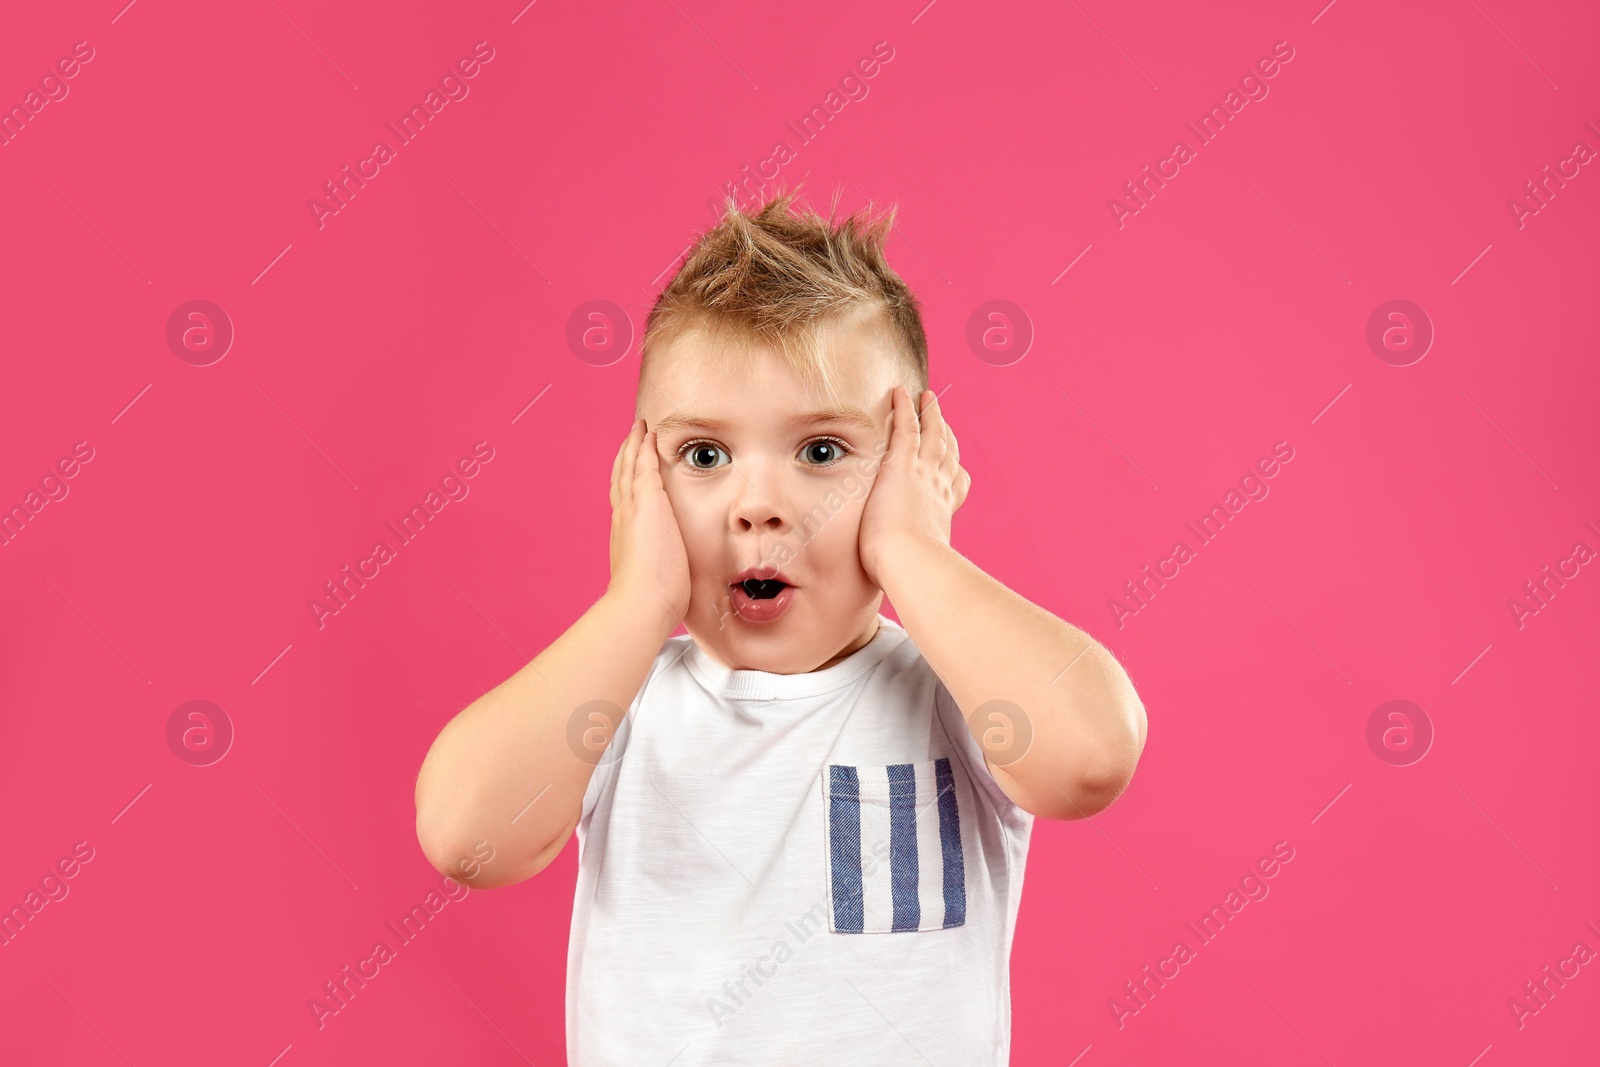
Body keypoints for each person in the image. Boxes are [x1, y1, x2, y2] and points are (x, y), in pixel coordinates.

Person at [413, 188, 1148, 1064]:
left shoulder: (958, 693)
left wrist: (914, 550)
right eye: (705, 456)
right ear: (641, 480)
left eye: (822, 452)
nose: (758, 506)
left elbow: (1092, 754)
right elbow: (466, 835)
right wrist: (637, 600)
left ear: (916, 463)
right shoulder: (619, 700)